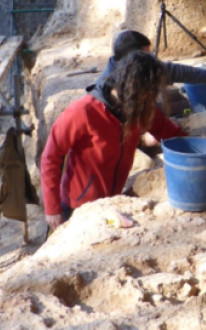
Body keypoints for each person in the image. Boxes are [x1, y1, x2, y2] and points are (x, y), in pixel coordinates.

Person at [41, 51, 188, 229]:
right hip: (76, 208)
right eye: (148, 94)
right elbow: (51, 156)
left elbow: (173, 134)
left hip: (112, 205)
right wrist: (52, 208)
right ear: (132, 89)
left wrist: (200, 153)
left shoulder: (140, 108)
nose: (151, 101)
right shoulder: (83, 111)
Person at [92, 30, 206, 96]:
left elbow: (174, 71)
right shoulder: (107, 90)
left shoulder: (136, 68)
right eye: (146, 56)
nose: (151, 60)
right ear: (131, 60)